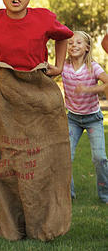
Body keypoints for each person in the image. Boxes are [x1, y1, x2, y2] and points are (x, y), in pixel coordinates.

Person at [0, 0, 73, 241]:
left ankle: (45, 224)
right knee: (9, 163)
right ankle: (13, 227)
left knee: (42, 161)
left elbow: (64, 36)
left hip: (39, 97)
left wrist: (60, 65)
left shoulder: (44, 17)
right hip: (7, 97)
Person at [62, 30, 108, 204]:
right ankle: (68, 194)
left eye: (78, 43)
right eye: (71, 43)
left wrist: (88, 89)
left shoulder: (93, 67)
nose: (74, 45)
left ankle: (105, 196)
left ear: (87, 47)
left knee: (100, 158)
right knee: (65, 157)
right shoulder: (63, 66)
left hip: (92, 119)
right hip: (72, 119)